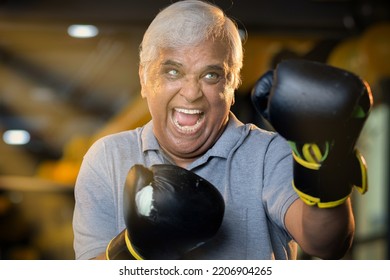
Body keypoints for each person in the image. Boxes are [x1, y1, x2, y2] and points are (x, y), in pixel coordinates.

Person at [72, 0, 372, 260]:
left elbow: (327, 244)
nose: (191, 93)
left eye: (211, 75)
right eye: (172, 71)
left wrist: (326, 165)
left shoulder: (269, 154)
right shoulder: (107, 157)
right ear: (144, 78)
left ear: (233, 84)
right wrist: (135, 248)